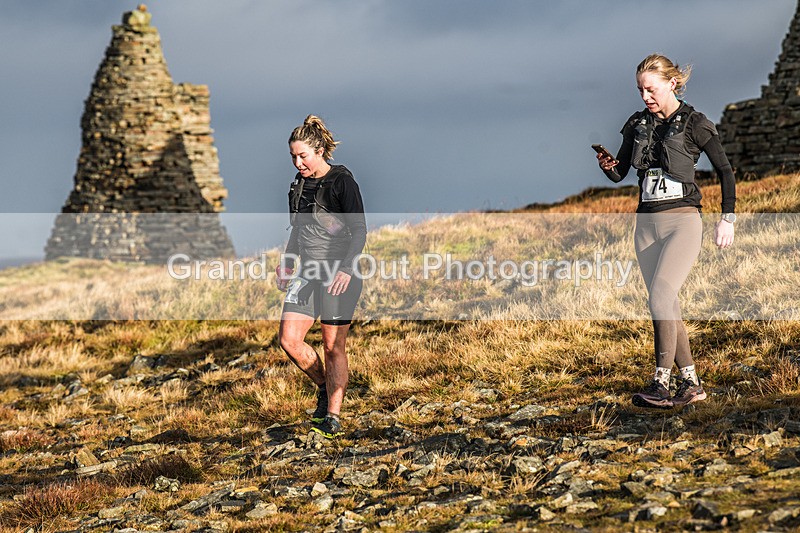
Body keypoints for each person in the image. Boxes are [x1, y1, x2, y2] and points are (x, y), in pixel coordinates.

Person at [597, 54, 736, 408]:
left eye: (651, 89)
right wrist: (608, 166)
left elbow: (725, 171)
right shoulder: (637, 123)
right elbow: (621, 173)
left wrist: (727, 219)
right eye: (640, 90)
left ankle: (661, 383)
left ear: (672, 83)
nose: (645, 97)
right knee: (666, 303)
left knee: (659, 295)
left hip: (682, 222)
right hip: (645, 224)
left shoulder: (695, 123)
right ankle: (691, 384)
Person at [276, 115, 367, 437]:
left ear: (320, 151)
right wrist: (287, 263)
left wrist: (346, 269)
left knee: (332, 347)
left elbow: (359, 231)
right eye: (293, 156)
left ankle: (333, 416)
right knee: (289, 340)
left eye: (303, 155)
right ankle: (326, 387)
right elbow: (297, 231)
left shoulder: (342, 181)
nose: (297, 162)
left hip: (338, 273)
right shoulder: (297, 187)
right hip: (308, 273)